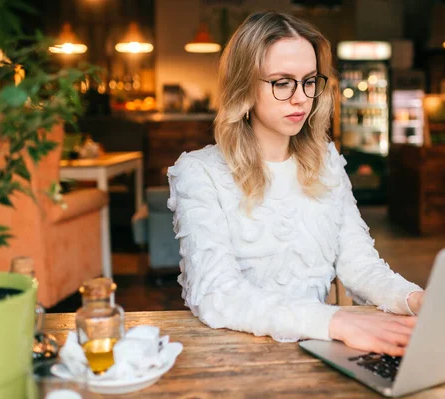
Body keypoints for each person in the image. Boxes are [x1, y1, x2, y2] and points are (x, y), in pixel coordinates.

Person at [167, 11, 424, 356]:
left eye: (309, 81)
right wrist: (338, 322)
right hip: (235, 359)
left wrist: (415, 299)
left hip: (317, 353)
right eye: (282, 82)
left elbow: (360, 265)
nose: (301, 98)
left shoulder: (327, 163)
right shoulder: (200, 173)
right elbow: (216, 293)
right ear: (243, 86)